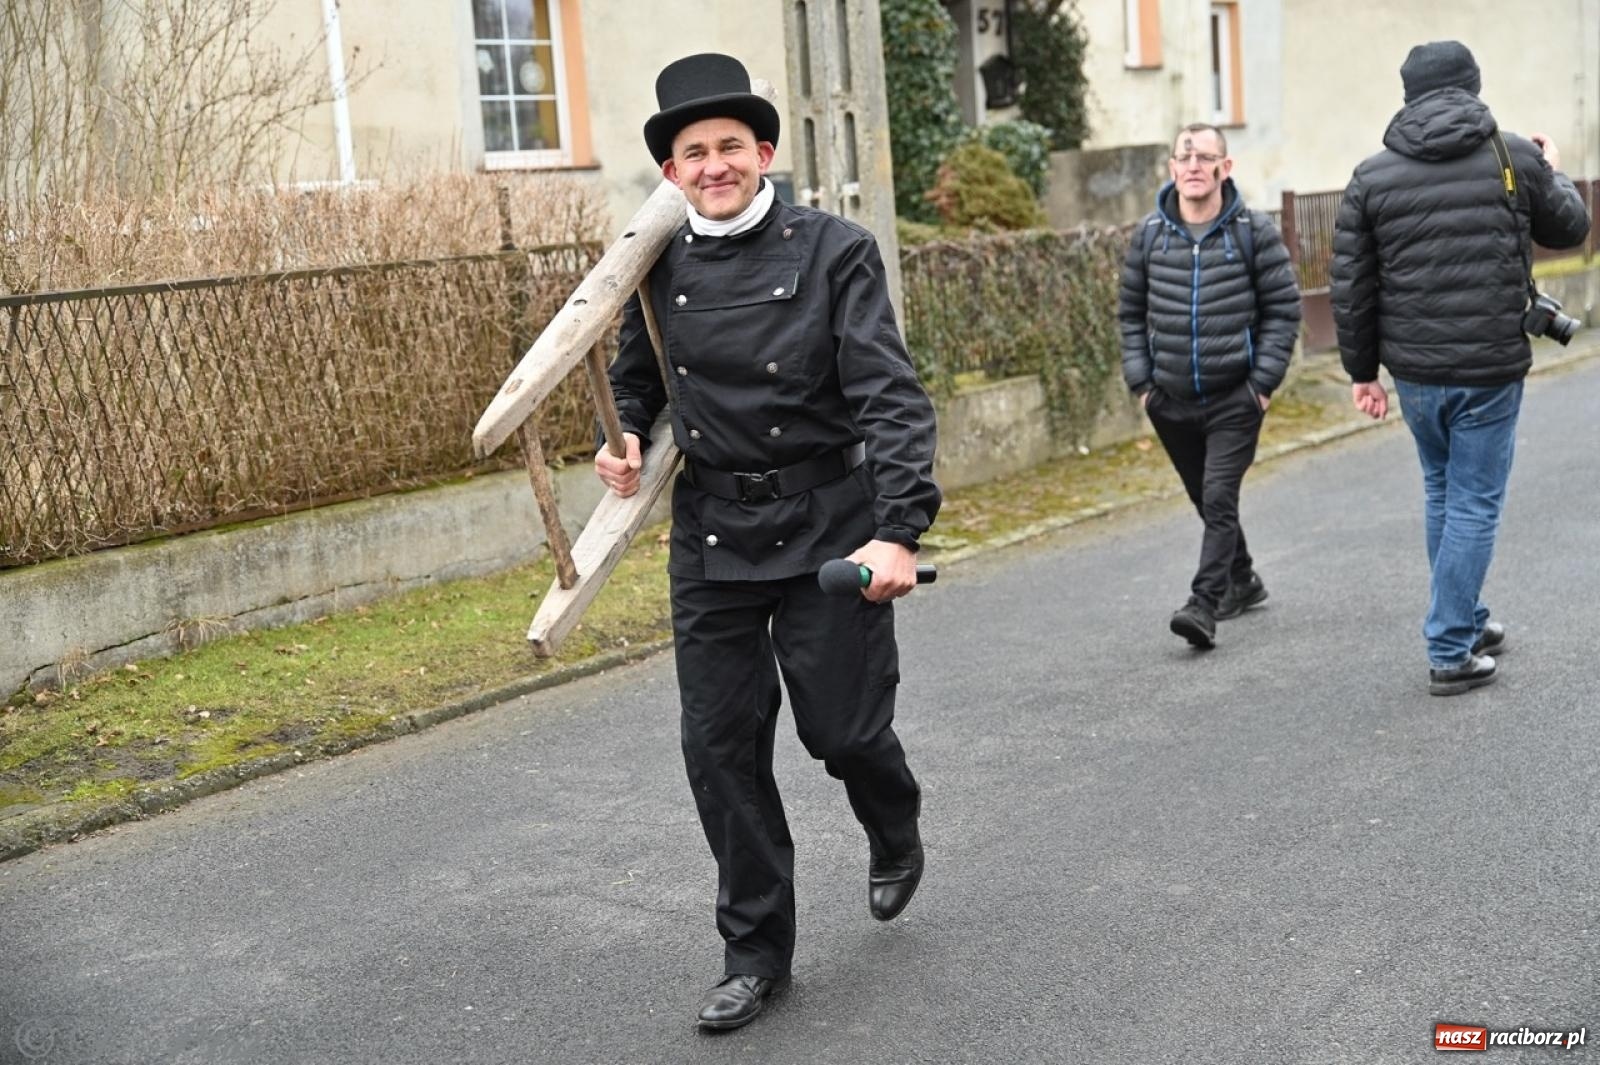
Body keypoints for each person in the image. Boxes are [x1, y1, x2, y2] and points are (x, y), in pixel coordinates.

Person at [594, 53, 941, 1030]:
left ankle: (893, 818)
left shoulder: (835, 250)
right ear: (670, 169)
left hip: (828, 525)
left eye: (730, 147)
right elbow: (633, 387)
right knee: (719, 749)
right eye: (693, 152)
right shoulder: (653, 268)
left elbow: (889, 395)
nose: (713, 165)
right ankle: (754, 954)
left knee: (839, 730)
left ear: (764, 152)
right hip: (710, 537)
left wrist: (899, 529)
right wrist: (617, 443)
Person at [1331, 41, 1590, 696]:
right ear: (1473, 86)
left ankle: (1467, 616)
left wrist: (1362, 374)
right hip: (1490, 366)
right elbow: (1572, 229)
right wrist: (1553, 171)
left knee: (1443, 489)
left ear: (1408, 94)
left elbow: (1351, 287)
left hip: (1414, 371)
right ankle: (1449, 644)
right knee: (1472, 498)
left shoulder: (1371, 175)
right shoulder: (1512, 154)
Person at [1118, 123, 1302, 649]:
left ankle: (1203, 604)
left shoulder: (1252, 231)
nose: (1194, 165)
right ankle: (1242, 579)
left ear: (1226, 167)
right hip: (1169, 398)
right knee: (1206, 498)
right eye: (1185, 155)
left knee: (1219, 494)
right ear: (1172, 168)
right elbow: (1131, 313)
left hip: (1234, 398)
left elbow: (1284, 311)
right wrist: (1143, 384)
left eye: (1205, 156)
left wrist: (1261, 385)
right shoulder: (1151, 235)